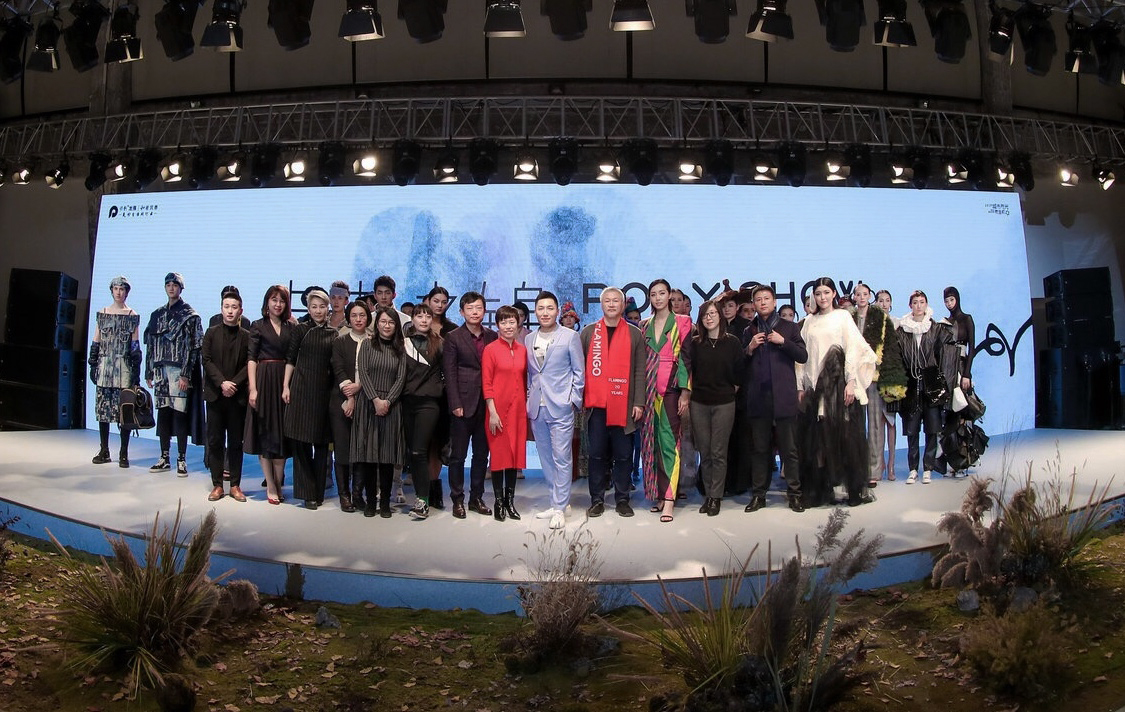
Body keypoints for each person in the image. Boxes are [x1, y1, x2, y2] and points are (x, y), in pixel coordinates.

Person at [795, 277, 877, 507]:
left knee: (847, 439)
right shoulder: (808, 322)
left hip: (839, 386)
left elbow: (853, 349)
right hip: (816, 389)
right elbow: (802, 357)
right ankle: (822, 491)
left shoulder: (842, 317)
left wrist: (851, 381)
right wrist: (800, 386)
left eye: (826, 292)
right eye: (818, 293)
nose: (822, 297)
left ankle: (854, 491)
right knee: (819, 442)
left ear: (833, 294)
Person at [580, 287, 646, 518]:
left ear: (622, 305)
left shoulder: (634, 333)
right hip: (596, 406)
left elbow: (640, 370)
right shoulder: (589, 332)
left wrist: (639, 402)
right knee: (597, 454)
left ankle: (622, 499)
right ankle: (597, 499)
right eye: (607, 301)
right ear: (601, 305)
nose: (611, 304)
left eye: (615, 301)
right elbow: (580, 369)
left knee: (624, 455)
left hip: (624, 405)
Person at [742, 284, 808, 513]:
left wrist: (783, 342)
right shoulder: (749, 330)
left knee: (789, 449)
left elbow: (802, 355)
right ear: (753, 304)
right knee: (760, 450)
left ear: (774, 302)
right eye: (758, 299)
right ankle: (759, 495)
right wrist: (749, 348)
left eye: (766, 298)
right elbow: (739, 364)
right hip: (759, 398)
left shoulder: (789, 327)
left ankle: (795, 494)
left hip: (784, 397)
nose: (762, 302)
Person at [525, 291, 585, 529]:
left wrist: (573, 400)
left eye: (550, 308)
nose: (545, 313)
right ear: (535, 311)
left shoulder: (570, 336)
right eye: (541, 308)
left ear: (557, 311)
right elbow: (531, 373)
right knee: (545, 457)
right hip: (537, 407)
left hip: (561, 405)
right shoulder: (529, 338)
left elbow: (579, 372)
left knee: (562, 457)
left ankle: (560, 507)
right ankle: (557, 501)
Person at [640, 279, 693, 523]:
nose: (658, 298)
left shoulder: (682, 322)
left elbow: (686, 359)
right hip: (649, 392)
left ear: (669, 295)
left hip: (671, 391)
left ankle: (670, 500)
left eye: (662, 293)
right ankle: (660, 494)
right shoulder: (644, 325)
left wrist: (685, 392)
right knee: (652, 445)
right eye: (654, 294)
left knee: (670, 444)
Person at [443, 291, 498, 518]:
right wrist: (455, 402)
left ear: (484, 311)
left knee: (481, 455)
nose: (475, 312)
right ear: (461, 312)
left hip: (487, 403)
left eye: (478, 308)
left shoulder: (492, 336)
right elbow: (449, 373)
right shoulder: (453, 337)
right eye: (470, 308)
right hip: (463, 404)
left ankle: (476, 497)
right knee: (458, 456)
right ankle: (457, 499)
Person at [145, 272, 204, 476]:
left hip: (179, 371)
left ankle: (181, 459)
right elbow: (150, 344)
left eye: (175, 285)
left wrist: (186, 374)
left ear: (181, 288)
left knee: (180, 415)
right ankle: (164, 457)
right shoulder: (157, 315)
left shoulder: (190, 315)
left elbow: (195, 347)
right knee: (163, 413)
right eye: (168, 285)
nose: (171, 288)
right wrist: (149, 371)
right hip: (160, 370)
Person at [896, 290, 958, 485]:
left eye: (922, 302)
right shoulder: (902, 329)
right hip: (911, 381)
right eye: (915, 302)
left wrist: (945, 380)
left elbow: (944, 354)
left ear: (926, 304)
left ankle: (928, 467)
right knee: (912, 428)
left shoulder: (935, 327)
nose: (919, 305)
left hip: (931, 381)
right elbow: (898, 355)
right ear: (910, 305)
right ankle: (913, 469)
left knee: (932, 427)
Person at [689, 299, 743, 516]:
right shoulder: (694, 343)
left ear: (720, 315)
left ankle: (715, 497)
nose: (709, 317)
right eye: (705, 314)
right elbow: (689, 372)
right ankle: (708, 494)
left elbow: (739, 375)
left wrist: (727, 391)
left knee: (718, 452)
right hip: (699, 403)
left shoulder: (733, 342)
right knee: (705, 452)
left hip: (724, 403)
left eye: (713, 313)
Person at [283, 288, 336, 509]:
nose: (318, 310)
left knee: (322, 444)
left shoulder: (334, 334)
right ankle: (307, 493)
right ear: (308, 308)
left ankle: (318, 490)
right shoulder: (300, 330)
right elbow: (290, 359)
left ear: (328, 308)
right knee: (301, 443)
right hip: (301, 390)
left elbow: (336, 367)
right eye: (314, 307)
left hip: (323, 393)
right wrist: (285, 386)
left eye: (322, 306)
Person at [352, 306, 407, 517]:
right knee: (369, 456)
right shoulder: (367, 344)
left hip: (391, 406)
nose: (387, 326)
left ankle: (384, 502)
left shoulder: (400, 348)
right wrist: (375, 400)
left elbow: (401, 378)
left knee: (386, 457)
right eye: (383, 321)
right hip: (368, 403)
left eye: (391, 322)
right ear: (377, 324)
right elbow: (363, 373)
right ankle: (370, 502)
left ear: (396, 326)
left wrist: (387, 401)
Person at [851, 283, 906, 488]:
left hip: (874, 377)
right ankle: (856, 468)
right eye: (858, 294)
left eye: (865, 294)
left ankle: (874, 471)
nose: (862, 297)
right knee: (856, 425)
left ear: (869, 296)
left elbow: (890, 349)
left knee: (875, 425)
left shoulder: (881, 319)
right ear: (854, 297)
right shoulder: (848, 318)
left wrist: (890, 378)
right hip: (854, 378)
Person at [245, 285, 294, 505]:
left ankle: (279, 482)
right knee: (264, 434)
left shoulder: (291, 327)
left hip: (284, 381)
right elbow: (252, 359)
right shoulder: (258, 325)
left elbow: (292, 358)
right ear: (267, 302)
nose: (278, 304)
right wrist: (253, 388)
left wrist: (286, 385)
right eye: (274, 300)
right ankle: (271, 485)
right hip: (264, 380)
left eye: (282, 301)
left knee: (281, 434)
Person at [202, 289, 250, 502]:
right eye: (226, 307)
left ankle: (236, 485)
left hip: (237, 397)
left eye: (234, 307)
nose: (230, 311)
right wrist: (222, 382)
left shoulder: (247, 336)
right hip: (215, 395)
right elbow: (206, 360)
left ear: (241, 311)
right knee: (215, 441)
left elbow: (249, 364)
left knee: (236, 442)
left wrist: (234, 384)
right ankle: (217, 484)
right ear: (221, 309)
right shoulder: (211, 333)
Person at [482, 305, 528, 522]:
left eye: (511, 322)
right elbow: (487, 383)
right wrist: (492, 412)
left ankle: (510, 502)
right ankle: (498, 502)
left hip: (518, 410)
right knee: (499, 457)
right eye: (503, 322)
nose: (508, 326)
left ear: (518, 324)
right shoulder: (490, 349)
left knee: (514, 456)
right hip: (497, 411)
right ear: (497, 325)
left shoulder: (523, 350)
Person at [89, 275, 141, 468]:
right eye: (116, 289)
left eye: (122, 289)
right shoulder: (103, 314)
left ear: (127, 292)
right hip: (105, 368)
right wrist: (92, 363)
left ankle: (123, 453)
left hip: (124, 370)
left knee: (124, 411)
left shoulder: (132, 315)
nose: (119, 292)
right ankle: (104, 450)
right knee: (103, 410)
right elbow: (96, 340)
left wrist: (136, 372)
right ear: (111, 291)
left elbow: (135, 346)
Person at [402, 302, 445, 520]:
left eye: (427, 316)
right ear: (413, 319)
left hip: (428, 404)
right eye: (419, 316)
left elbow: (447, 374)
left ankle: (423, 500)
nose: (424, 320)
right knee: (412, 452)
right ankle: (421, 497)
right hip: (405, 403)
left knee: (420, 451)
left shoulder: (440, 344)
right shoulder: (402, 343)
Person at [330, 300, 370, 513]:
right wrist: (349, 393)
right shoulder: (340, 341)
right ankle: (344, 495)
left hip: (367, 400)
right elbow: (338, 368)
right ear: (348, 318)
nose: (358, 319)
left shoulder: (374, 342)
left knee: (362, 450)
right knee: (343, 449)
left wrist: (359, 388)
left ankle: (357, 494)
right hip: (341, 400)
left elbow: (373, 371)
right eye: (354, 315)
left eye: (362, 315)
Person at [939, 286, 977, 477]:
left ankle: (965, 462)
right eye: (946, 301)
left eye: (951, 300)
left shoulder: (966, 319)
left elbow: (972, 348)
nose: (949, 304)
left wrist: (967, 374)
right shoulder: (945, 322)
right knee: (950, 416)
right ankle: (952, 462)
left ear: (957, 299)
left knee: (964, 415)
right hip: (949, 370)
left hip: (962, 368)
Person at [874, 289, 900, 479]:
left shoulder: (898, 323)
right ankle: (880, 463)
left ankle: (891, 464)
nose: (884, 304)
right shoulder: (872, 325)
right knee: (878, 423)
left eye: (887, 300)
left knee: (891, 421)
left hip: (892, 377)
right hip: (874, 377)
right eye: (881, 300)